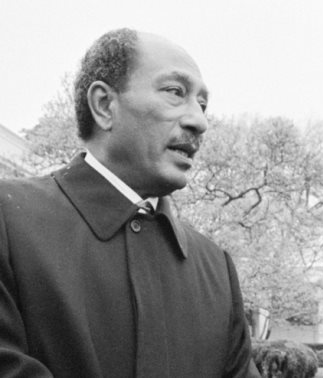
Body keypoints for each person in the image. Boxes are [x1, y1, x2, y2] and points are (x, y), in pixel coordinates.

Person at [0, 28, 260, 377]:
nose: (200, 121)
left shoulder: (217, 269)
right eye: (175, 92)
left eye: (202, 104)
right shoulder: (8, 220)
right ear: (105, 105)